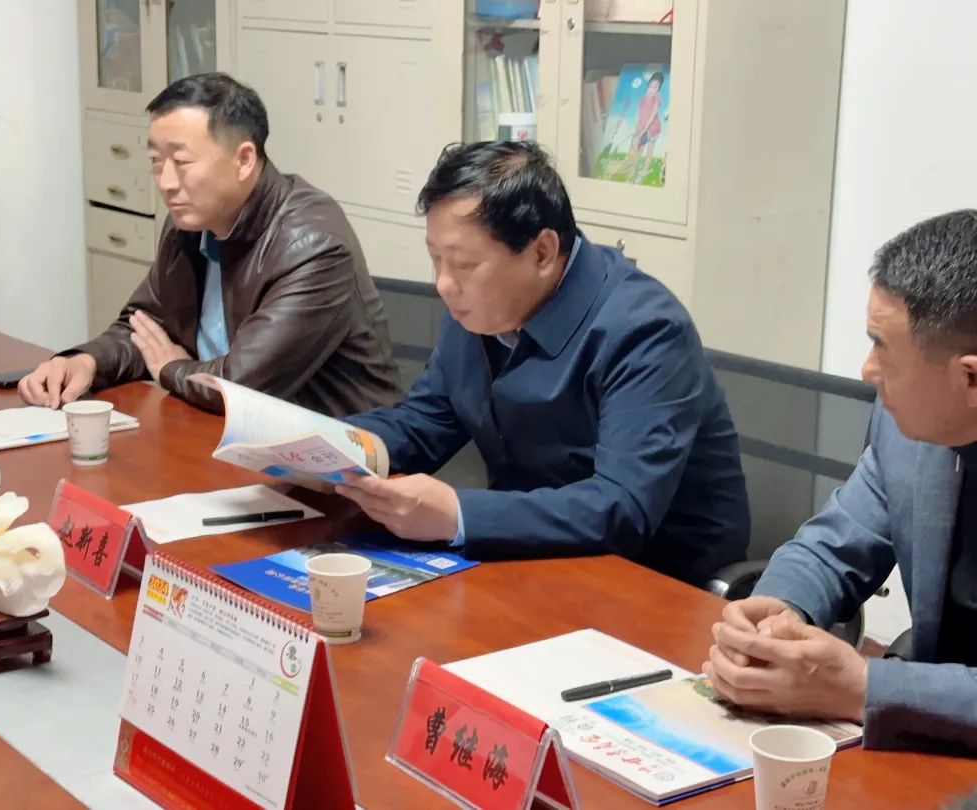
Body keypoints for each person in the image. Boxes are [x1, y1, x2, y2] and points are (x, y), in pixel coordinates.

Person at [336, 140, 750, 586]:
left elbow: (622, 508)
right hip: (528, 559)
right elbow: (425, 421)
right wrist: (331, 449)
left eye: (463, 264)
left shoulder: (645, 330)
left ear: (542, 253)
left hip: (656, 583)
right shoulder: (481, 310)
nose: (443, 284)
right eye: (435, 259)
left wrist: (458, 514)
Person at [705, 209, 977, 753]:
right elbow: (835, 543)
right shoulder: (906, 432)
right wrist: (778, 616)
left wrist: (864, 686)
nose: (866, 371)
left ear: (969, 377)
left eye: (883, 348)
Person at [19, 73, 400, 416]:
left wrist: (170, 369)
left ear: (244, 160)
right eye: (156, 160)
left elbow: (241, 385)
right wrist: (85, 362)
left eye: (182, 161)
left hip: (335, 453)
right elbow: (145, 325)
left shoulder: (314, 246)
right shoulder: (189, 224)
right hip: (223, 433)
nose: (166, 182)